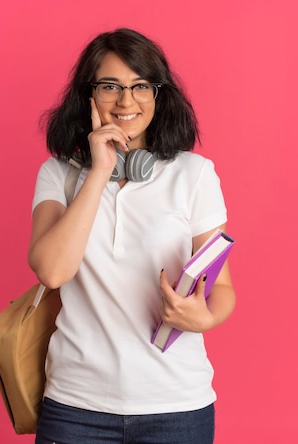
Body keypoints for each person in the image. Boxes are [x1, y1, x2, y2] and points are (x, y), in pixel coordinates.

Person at [28, 28, 235, 444]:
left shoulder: (194, 175)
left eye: (141, 86)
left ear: (158, 96)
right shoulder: (58, 175)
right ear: (88, 95)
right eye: (110, 87)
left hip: (176, 407)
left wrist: (205, 317)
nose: (126, 102)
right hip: (76, 408)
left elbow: (223, 287)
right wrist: (99, 171)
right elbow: (52, 271)